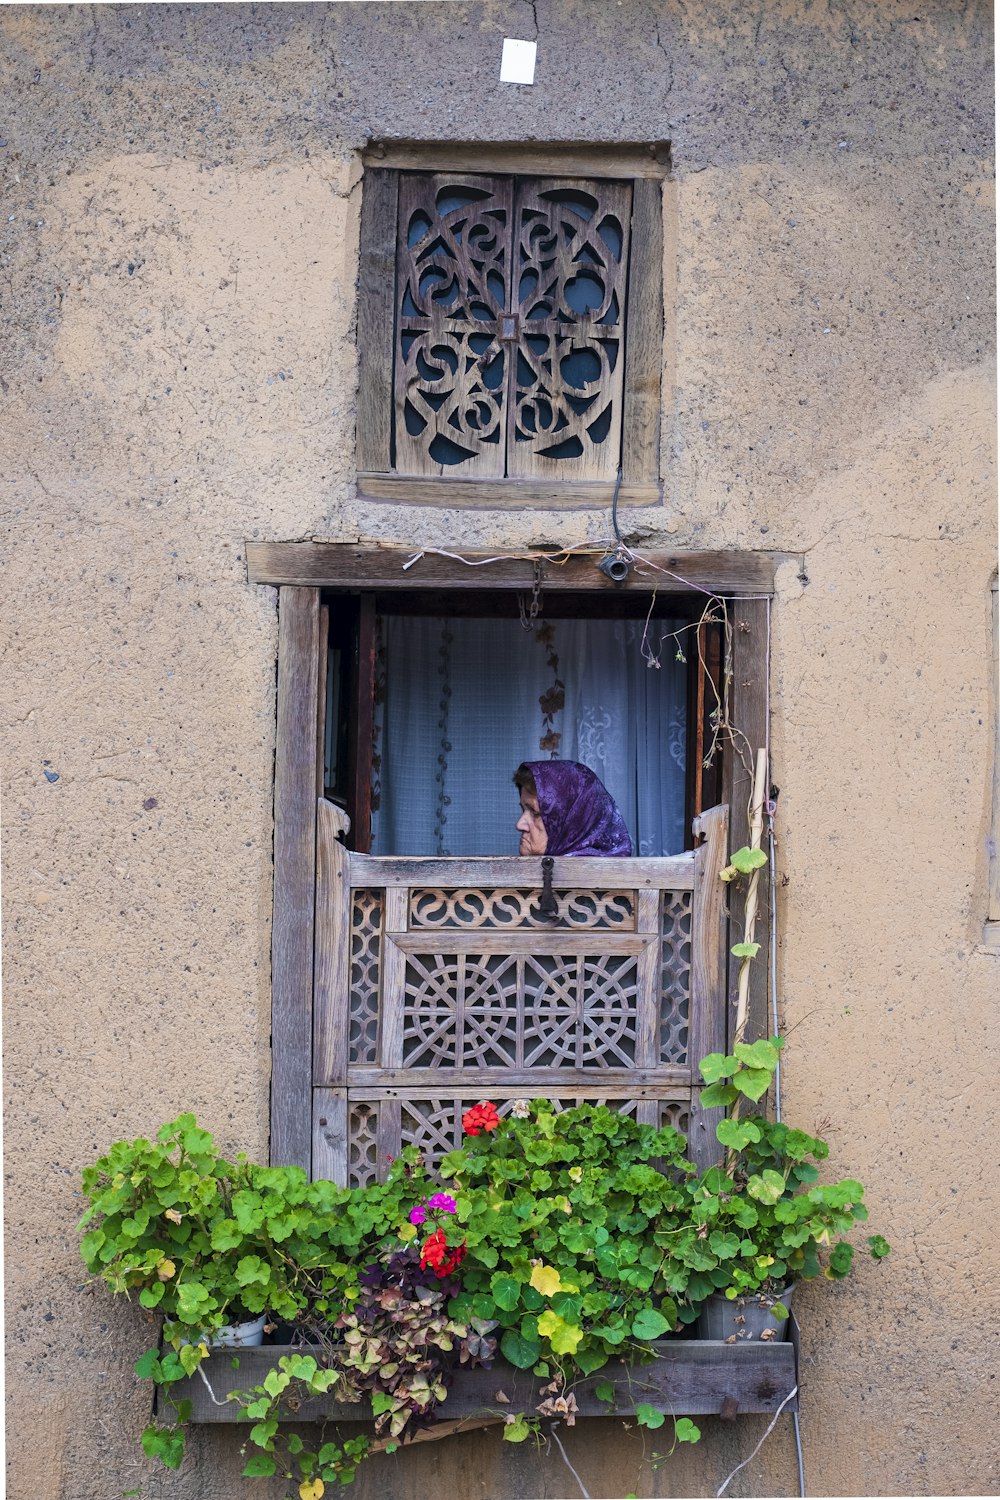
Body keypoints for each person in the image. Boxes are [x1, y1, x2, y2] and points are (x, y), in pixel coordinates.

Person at [513, 760, 632, 857]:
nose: (519, 825)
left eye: (535, 813)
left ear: (574, 822)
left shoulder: (598, 881)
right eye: (524, 810)